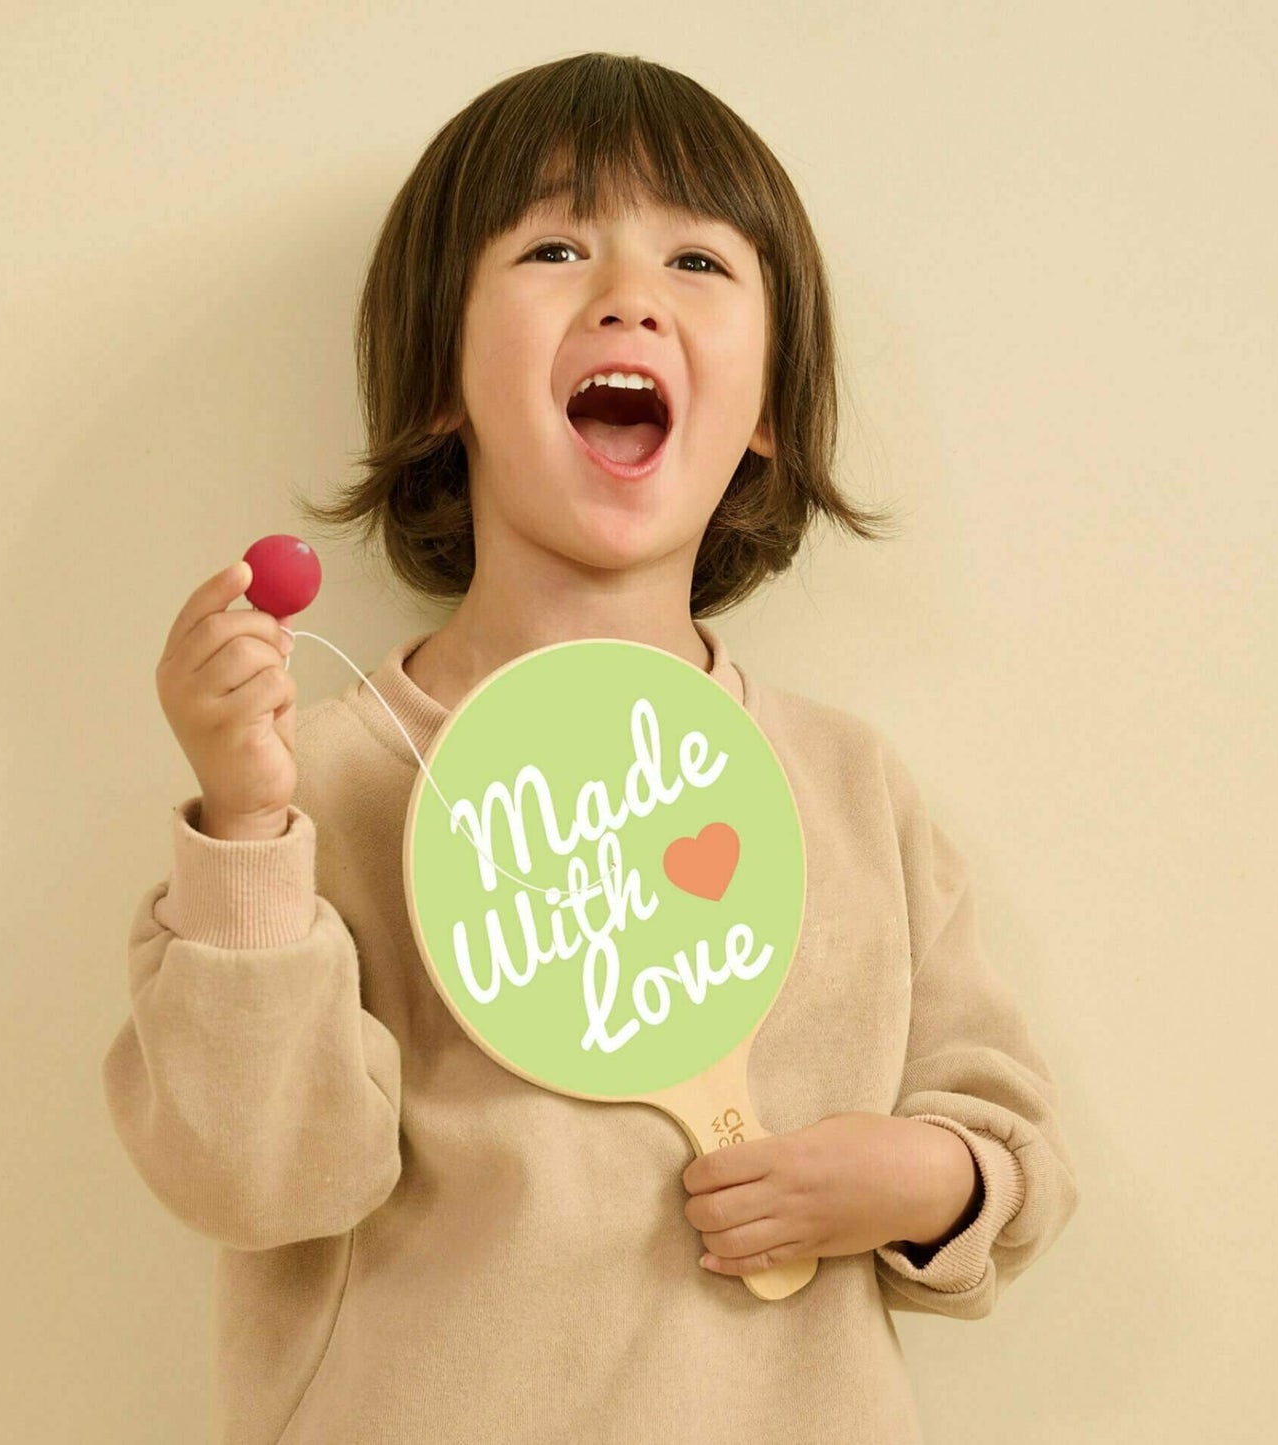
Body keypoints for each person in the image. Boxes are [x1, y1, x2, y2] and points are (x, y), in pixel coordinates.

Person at [104, 52, 1079, 1445]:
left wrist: (929, 1180)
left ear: (766, 421)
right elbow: (253, 1180)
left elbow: (1008, 1137)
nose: (628, 292)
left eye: (696, 258)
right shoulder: (316, 785)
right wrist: (250, 829)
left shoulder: (849, 787)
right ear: (441, 383)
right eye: (555, 246)